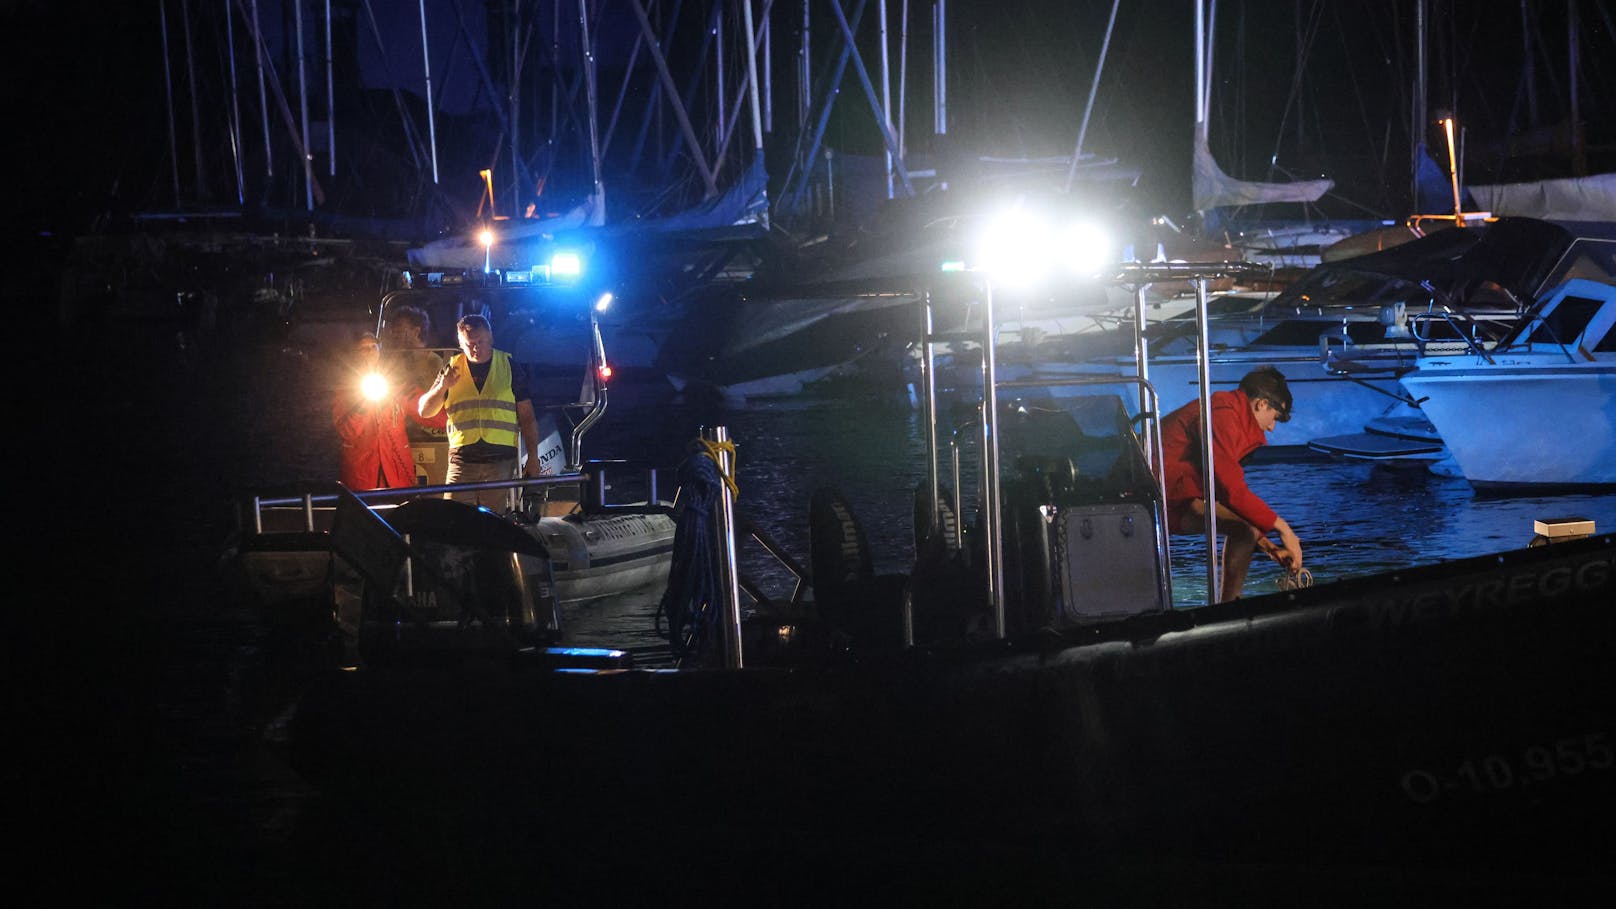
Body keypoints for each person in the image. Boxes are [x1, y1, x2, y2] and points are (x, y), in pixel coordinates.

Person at [1159, 365, 1303, 601]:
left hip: (1174, 495)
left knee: (1246, 530)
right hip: (1160, 502)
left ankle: (1228, 606)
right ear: (1262, 404)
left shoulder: (1228, 411)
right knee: (1244, 531)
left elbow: (1224, 493)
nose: (1271, 427)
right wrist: (1284, 529)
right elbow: (1231, 491)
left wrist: (1270, 547)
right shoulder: (1223, 414)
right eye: (1275, 418)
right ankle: (1227, 609)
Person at [418, 313, 544, 509]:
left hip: (499, 459)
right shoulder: (451, 368)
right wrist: (443, 386)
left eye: (480, 341)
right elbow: (424, 411)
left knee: (492, 522)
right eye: (469, 343)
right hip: (462, 459)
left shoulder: (510, 367)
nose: (475, 348)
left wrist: (533, 458)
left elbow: (527, 417)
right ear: (460, 343)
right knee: (454, 518)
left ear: (491, 338)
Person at [332, 332, 417, 490]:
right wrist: (361, 405)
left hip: (395, 472)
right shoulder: (344, 389)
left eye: (373, 347)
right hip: (363, 473)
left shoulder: (396, 382)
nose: (370, 351)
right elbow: (347, 431)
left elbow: (421, 406)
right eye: (364, 349)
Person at [381, 304, 447, 441]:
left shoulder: (434, 362)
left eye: (400, 329)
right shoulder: (394, 362)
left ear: (416, 332)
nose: (395, 334)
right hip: (402, 430)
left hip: (433, 431)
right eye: (394, 330)